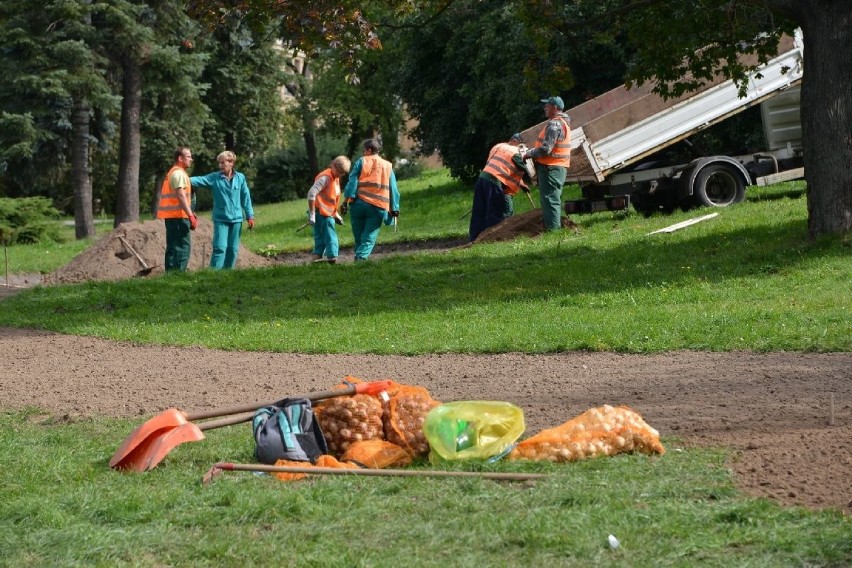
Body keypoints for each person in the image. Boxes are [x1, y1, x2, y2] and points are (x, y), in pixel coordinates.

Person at [189, 151, 255, 270]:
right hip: (221, 219)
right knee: (220, 247)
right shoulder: (214, 178)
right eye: (219, 163)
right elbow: (199, 179)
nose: (220, 165)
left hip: (236, 219)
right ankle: (214, 274)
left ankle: (227, 274)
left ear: (231, 163)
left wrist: (250, 215)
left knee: (233, 249)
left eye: (222, 163)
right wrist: (183, 178)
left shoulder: (240, 178)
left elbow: (246, 198)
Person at [341, 139, 400, 261]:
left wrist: (346, 200)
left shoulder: (361, 162)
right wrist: (394, 208)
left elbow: (352, 182)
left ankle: (358, 262)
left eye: (364, 150)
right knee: (368, 238)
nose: (363, 153)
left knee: (359, 237)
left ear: (369, 150)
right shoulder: (387, 166)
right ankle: (360, 261)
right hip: (377, 207)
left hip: (358, 204)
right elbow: (393, 188)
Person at [469, 133, 533, 241]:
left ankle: (474, 238)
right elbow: (525, 168)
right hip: (494, 181)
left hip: (482, 179)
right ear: (515, 142)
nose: (522, 148)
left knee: (479, 211)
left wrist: (521, 184)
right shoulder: (515, 152)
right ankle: (490, 239)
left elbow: (501, 165)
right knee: (495, 211)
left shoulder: (498, 147)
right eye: (521, 145)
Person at [522, 96, 571, 231]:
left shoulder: (554, 124)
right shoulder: (562, 122)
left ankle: (553, 231)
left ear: (554, 108)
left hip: (551, 167)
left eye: (547, 105)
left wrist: (529, 153)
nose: (544, 108)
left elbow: (545, 149)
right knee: (552, 199)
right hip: (555, 166)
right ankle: (553, 228)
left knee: (550, 199)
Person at [157, 147, 197, 272]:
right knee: (183, 247)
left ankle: (170, 275)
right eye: (189, 156)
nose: (191, 159)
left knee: (173, 246)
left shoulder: (174, 173)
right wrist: (190, 215)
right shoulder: (178, 173)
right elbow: (181, 196)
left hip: (173, 217)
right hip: (179, 217)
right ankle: (178, 275)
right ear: (180, 158)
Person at [306, 155, 351, 264]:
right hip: (321, 214)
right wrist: (312, 214)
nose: (340, 175)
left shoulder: (334, 178)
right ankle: (332, 259)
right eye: (339, 171)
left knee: (320, 237)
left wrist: (336, 215)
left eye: (343, 173)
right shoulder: (325, 178)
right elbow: (311, 193)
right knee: (331, 236)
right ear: (333, 166)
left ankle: (315, 257)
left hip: (324, 213)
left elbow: (330, 199)